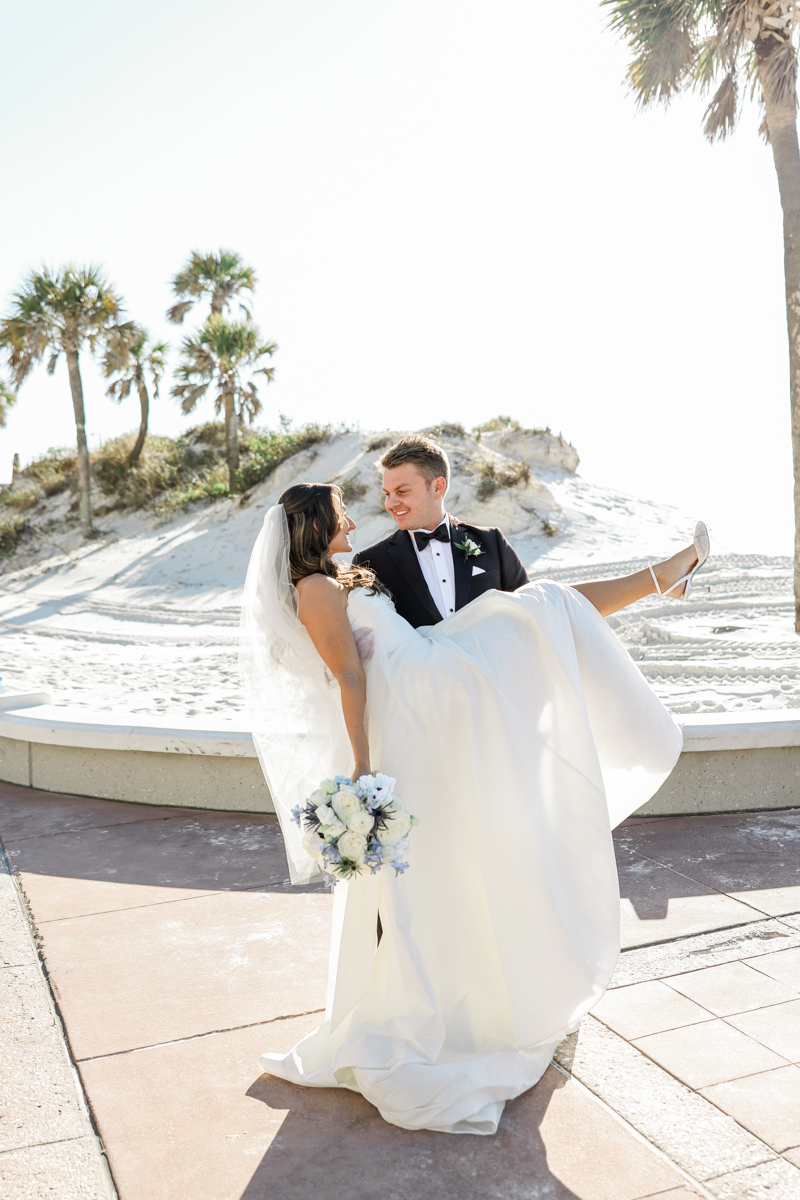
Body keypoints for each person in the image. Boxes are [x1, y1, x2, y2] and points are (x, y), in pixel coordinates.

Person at [239, 469, 709, 1136]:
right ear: (315, 524)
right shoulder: (314, 587)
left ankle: (664, 577)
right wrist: (363, 766)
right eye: (341, 511)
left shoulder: (335, 577)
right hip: (428, 688)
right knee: (544, 609)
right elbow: (347, 675)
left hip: (433, 667)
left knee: (540, 608)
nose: (356, 519)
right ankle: (663, 577)